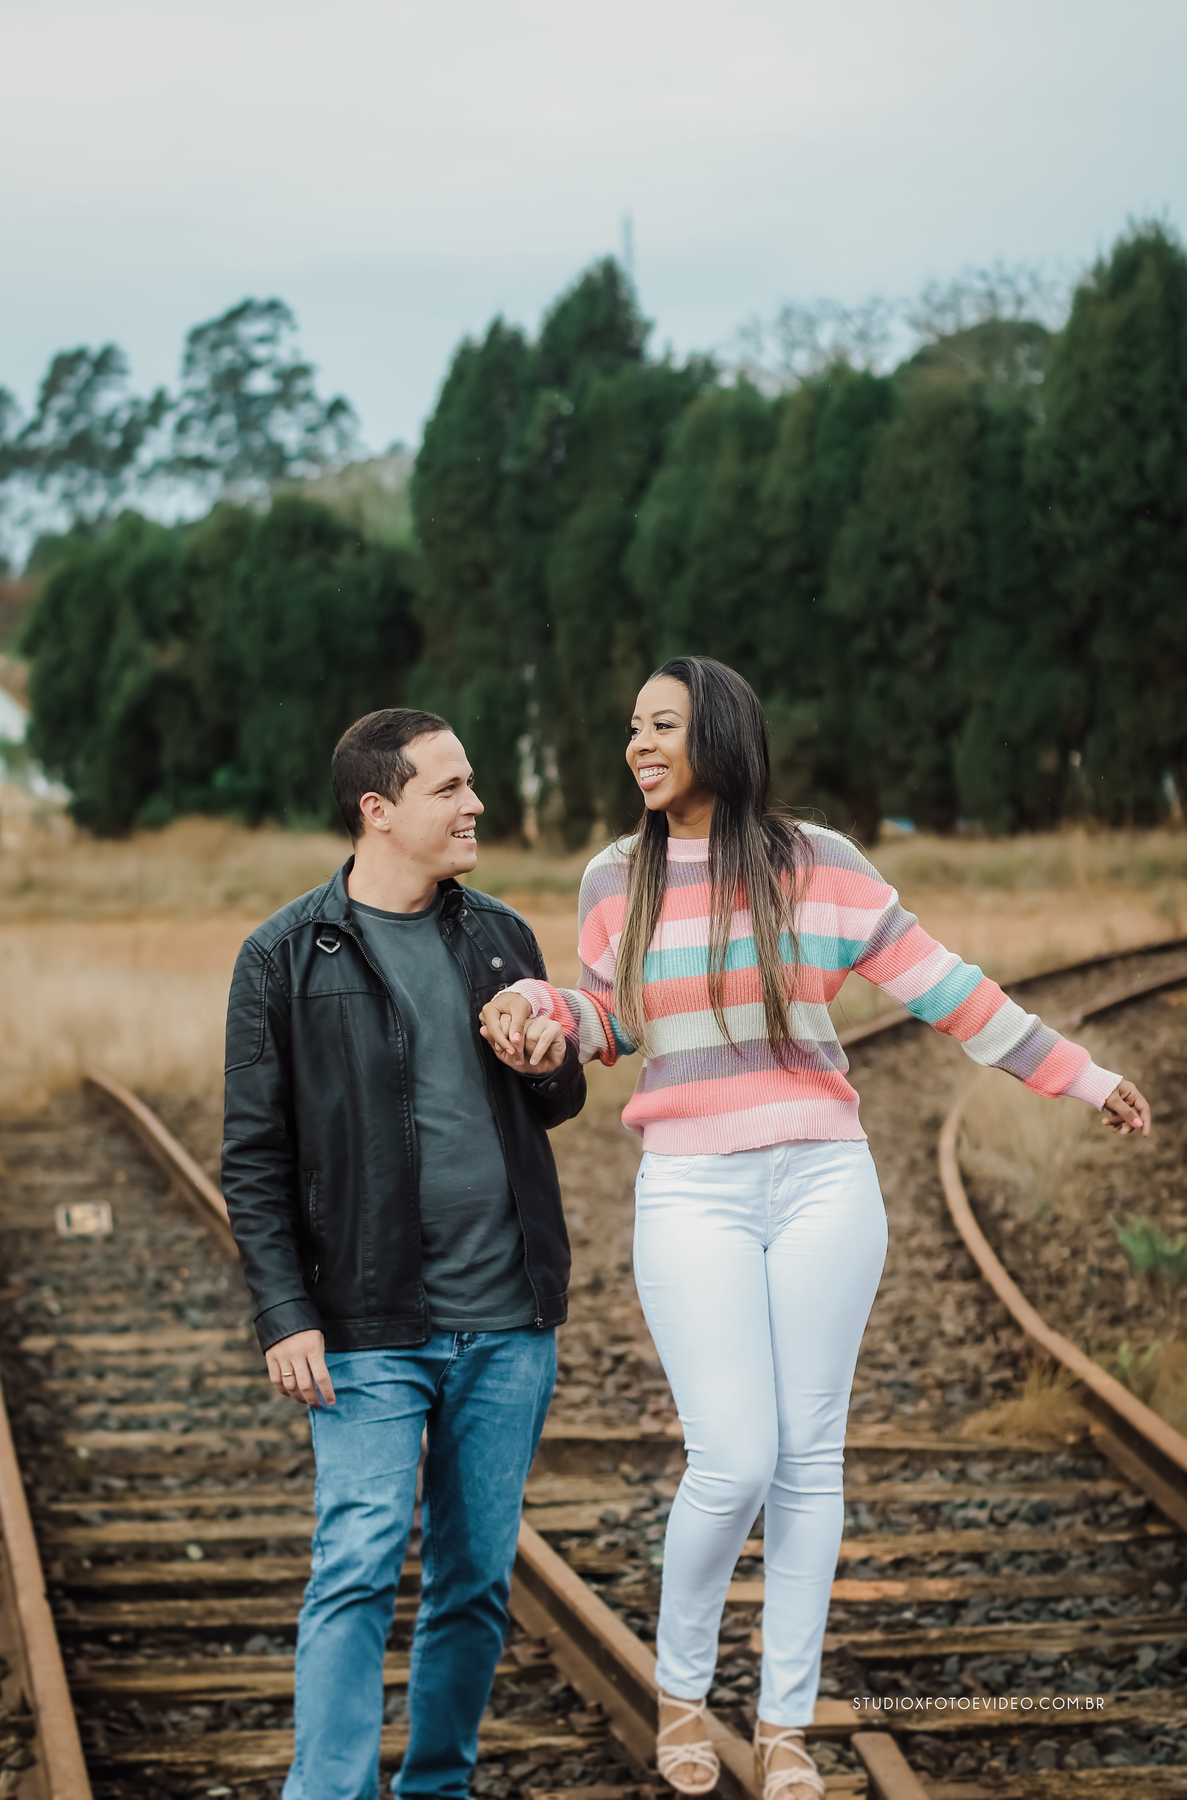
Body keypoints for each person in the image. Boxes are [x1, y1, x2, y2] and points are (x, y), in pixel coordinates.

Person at [479, 657, 1151, 1800]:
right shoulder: (615, 877)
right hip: (691, 1189)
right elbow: (609, 1018)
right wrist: (541, 1008)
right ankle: (682, 1692)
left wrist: (1080, 1076)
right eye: (633, 727)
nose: (639, 745)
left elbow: (948, 989)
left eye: (662, 725)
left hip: (824, 1182)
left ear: (720, 734)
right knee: (734, 1455)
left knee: (807, 1461)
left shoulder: (819, 864)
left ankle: (784, 1723)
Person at [221, 707, 584, 1800]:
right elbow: (253, 1157)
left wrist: (549, 1055)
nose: (477, 804)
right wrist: (284, 1313)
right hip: (367, 1324)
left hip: (507, 1319)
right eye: (450, 787)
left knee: (474, 1581)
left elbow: (557, 1099)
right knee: (356, 1567)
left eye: (471, 783)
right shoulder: (284, 955)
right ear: (378, 810)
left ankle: (437, 1786)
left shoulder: (499, 935)